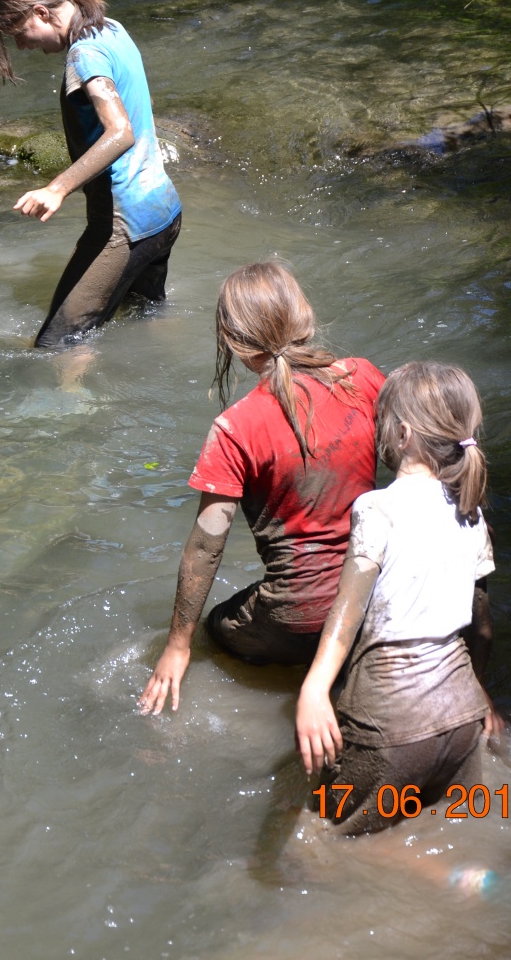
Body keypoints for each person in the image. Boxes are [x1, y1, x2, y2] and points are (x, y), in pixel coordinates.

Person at [138, 261, 384, 715]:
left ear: (234, 342)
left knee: (219, 628)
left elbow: (205, 548)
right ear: (304, 315)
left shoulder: (235, 428)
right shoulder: (363, 378)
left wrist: (177, 645)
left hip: (301, 617)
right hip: (379, 595)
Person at [295, 361, 499, 836]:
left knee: (324, 837)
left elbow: (348, 610)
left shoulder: (376, 507)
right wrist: (482, 694)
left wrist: (314, 688)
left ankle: (421, 872)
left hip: (389, 721)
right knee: (455, 827)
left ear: (402, 434)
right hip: (463, 716)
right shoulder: (472, 513)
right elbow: (482, 626)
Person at [0, 0, 182, 348]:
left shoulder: (83, 55)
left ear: (41, 12)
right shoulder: (110, 28)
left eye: (19, 34)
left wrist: (57, 188)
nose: (21, 46)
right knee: (143, 316)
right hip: (164, 212)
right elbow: (139, 107)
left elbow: (120, 132)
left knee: (56, 345)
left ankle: (77, 391)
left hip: (127, 226)